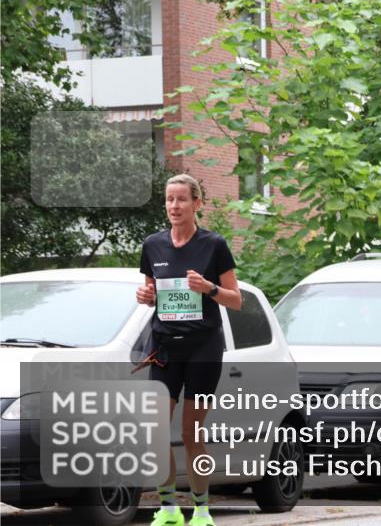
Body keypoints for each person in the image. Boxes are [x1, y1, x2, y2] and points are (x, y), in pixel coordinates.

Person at [135, 174, 242, 526]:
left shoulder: (214, 245)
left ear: (197, 203)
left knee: (190, 433)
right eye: (169, 199)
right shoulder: (153, 245)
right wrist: (146, 296)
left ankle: (201, 510)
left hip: (203, 348)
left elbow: (236, 300)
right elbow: (153, 294)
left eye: (182, 199)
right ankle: (168, 509)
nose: (174, 206)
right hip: (165, 347)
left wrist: (209, 288)